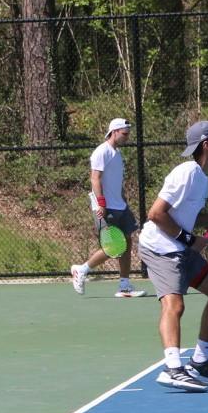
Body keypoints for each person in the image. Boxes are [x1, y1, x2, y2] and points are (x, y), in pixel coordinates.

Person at [138, 119, 208, 391]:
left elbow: (189, 217)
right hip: (160, 248)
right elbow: (156, 214)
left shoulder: (203, 180)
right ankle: (172, 368)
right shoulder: (186, 173)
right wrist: (189, 239)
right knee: (175, 305)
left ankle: (200, 360)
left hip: (180, 248)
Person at [70, 117, 145, 298]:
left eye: (128, 134)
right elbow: (95, 179)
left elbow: (115, 183)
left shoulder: (117, 153)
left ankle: (124, 286)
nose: (127, 137)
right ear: (114, 132)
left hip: (120, 205)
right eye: (124, 134)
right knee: (113, 247)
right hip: (106, 207)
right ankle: (82, 270)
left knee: (127, 241)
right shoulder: (101, 152)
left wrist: (124, 201)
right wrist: (101, 203)